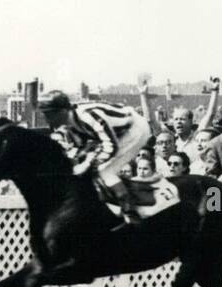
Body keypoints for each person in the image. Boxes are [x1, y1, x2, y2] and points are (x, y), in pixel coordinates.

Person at [37, 90, 152, 220]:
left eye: (48, 114)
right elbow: (80, 150)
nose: (46, 119)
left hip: (136, 128)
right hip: (119, 134)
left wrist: (89, 163)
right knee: (88, 171)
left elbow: (111, 147)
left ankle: (130, 212)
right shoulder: (68, 124)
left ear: (62, 111)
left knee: (106, 170)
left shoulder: (87, 116)